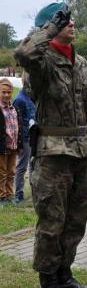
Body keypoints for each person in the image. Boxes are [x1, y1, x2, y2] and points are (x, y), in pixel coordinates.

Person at [14, 2, 87, 288]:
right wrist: (48, 28)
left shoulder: (81, 62)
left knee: (76, 220)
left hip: (80, 151)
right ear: (50, 27)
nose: (71, 24)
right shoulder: (41, 61)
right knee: (51, 223)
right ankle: (48, 279)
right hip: (52, 154)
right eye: (63, 21)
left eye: (71, 20)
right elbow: (23, 52)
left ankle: (65, 272)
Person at [13, 73, 35, 204]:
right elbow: (16, 122)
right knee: (22, 166)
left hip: (33, 137)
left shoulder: (31, 98)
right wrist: (19, 142)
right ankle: (18, 194)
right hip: (24, 139)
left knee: (33, 165)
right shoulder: (19, 99)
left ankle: (34, 190)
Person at [0, 78, 23, 206]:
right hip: (1, 147)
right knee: (1, 172)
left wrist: (20, 144)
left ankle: (9, 195)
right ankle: (1, 197)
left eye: (9, 92)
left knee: (11, 172)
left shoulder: (14, 109)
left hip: (13, 146)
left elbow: (18, 127)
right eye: (3, 92)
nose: (6, 95)